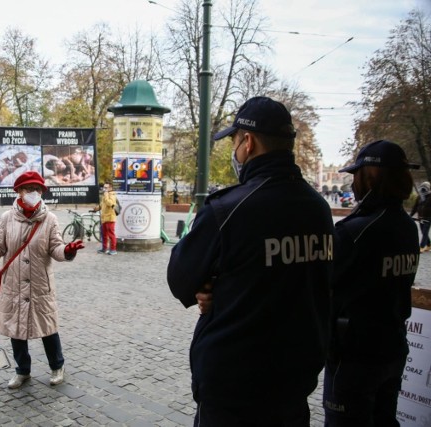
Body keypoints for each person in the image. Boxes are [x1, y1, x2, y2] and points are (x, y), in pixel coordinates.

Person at [167, 96, 334, 426]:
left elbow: (180, 277)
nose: (234, 150)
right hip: (294, 383)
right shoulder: (318, 208)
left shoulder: (227, 210)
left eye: (234, 140)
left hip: (235, 387)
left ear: (248, 141)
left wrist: (209, 284)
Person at [324, 140, 419, 426]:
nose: (352, 184)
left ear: (369, 177)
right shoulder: (406, 226)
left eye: (356, 176)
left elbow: (321, 284)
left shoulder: (354, 232)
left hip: (355, 356)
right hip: (392, 347)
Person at [0, 171, 85, 389]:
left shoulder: (49, 219)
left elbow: (55, 248)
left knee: (48, 328)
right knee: (16, 329)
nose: (34, 193)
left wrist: (66, 250)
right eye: (29, 189)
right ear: (19, 192)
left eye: (38, 189)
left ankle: (57, 366)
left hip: (40, 284)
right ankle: (22, 371)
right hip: (15, 284)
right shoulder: (8, 217)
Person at [92, 182, 118, 255]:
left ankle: (113, 249)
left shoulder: (112, 195)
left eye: (106, 188)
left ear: (110, 188)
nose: (104, 189)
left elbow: (110, 204)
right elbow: (102, 205)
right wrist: (96, 209)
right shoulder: (105, 195)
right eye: (104, 187)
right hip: (104, 218)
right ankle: (104, 248)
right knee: (104, 234)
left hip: (110, 218)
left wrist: (106, 195)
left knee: (111, 234)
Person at [410, 181, 431, 252]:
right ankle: (429, 245)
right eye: (422, 188)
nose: (423, 190)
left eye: (425, 188)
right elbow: (415, 207)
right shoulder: (419, 197)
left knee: (425, 232)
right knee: (423, 232)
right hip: (421, 217)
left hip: (428, 218)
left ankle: (421, 247)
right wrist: (410, 215)